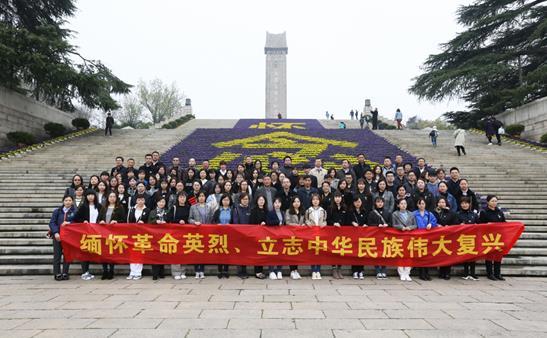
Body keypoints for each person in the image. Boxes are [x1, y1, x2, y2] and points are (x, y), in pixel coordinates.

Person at [73, 189, 104, 281]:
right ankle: (85, 272)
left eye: (92, 195)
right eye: (88, 195)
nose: (90, 197)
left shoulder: (99, 206)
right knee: (85, 252)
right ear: (86, 197)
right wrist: (83, 221)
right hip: (86, 232)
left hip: (98, 232)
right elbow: (76, 218)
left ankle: (105, 271)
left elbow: (102, 217)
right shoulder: (83, 207)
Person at [479, 195, 506, 280]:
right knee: (489, 255)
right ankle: (490, 273)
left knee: (498, 255)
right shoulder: (484, 212)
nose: (494, 203)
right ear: (488, 202)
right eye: (492, 201)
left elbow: (504, 222)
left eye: (495, 201)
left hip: (498, 237)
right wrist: (488, 225)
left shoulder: (500, 212)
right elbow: (480, 224)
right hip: (488, 237)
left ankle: (498, 273)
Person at [98, 192, 125, 280]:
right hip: (103, 232)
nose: (112, 198)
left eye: (114, 196)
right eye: (110, 196)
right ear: (108, 198)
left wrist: (117, 222)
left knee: (111, 251)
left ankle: (111, 270)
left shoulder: (120, 207)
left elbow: (124, 220)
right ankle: (104, 270)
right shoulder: (103, 207)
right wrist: (101, 221)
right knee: (103, 252)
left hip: (114, 232)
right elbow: (99, 218)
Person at [49, 195, 76, 281]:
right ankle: (57, 273)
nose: (68, 202)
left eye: (70, 200)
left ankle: (65, 272)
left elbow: (77, 222)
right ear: (63, 201)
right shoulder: (57, 211)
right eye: (66, 200)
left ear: (72, 202)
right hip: (58, 236)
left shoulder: (75, 211)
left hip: (69, 237)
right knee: (57, 255)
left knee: (67, 255)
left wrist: (69, 223)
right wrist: (56, 232)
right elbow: (52, 223)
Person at [188, 191, 214, 279]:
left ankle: (202, 270)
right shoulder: (193, 207)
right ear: (197, 198)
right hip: (196, 232)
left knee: (203, 252)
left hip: (206, 232)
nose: (202, 197)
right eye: (200, 196)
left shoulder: (209, 207)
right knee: (196, 251)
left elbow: (211, 219)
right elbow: (189, 219)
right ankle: (196, 270)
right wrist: (195, 222)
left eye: (203, 196)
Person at [166, 192, 190, 280]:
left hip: (186, 233)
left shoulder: (188, 208)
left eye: (184, 197)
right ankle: (176, 272)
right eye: (180, 197)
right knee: (176, 252)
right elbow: (169, 218)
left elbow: (190, 219)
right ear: (178, 198)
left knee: (184, 252)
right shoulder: (174, 208)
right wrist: (178, 221)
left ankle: (183, 271)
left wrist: (185, 222)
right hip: (176, 233)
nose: (182, 199)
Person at [433, 197, 459, 280]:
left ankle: (447, 272)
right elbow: (432, 221)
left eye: (443, 202)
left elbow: (456, 223)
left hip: (449, 236)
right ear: (437, 203)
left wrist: (449, 227)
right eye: (440, 202)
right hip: (438, 237)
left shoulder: (451, 213)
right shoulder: (434, 212)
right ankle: (441, 272)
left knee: (448, 254)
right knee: (440, 254)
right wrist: (436, 225)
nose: (441, 204)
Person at [392, 198, 417, 281]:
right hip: (399, 236)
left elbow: (415, 225)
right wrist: (401, 227)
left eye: (405, 203)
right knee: (400, 254)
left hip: (409, 236)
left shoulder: (411, 214)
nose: (403, 205)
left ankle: (407, 272)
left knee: (409, 254)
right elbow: (394, 225)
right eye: (401, 203)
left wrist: (410, 227)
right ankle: (401, 273)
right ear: (398, 205)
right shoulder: (395, 214)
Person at [126, 194, 150, 280]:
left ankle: (138, 272)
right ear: (136, 201)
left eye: (142, 200)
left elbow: (149, 221)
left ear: (144, 201)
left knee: (139, 253)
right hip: (132, 234)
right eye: (139, 200)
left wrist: (143, 223)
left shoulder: (147, 210)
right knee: (132, 253)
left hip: (142, 235)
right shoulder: (131, 209)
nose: (140, 201)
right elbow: (128, 221)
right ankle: (132, 272)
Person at [413, 198, 438, 281]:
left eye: (423, 204)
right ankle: (421, 273)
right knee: (420, 255)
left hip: (427, 237)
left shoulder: (429, 214)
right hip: (417, 237)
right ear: (417, 205)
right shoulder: (414, 214)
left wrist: (431, 224)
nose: (421, 205)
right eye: (420, 204)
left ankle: (427, 273)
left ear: (425, 204)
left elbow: (434, 221)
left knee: (427, 255)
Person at [367, 197, 391, 279]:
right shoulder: (372, 213)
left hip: (385, 236)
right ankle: (377, 270)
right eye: (378, 202)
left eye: (381, 202)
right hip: (375, 236)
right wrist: (377, 226)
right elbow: (369, 224)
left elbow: (391, 223)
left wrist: (387, 225)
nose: (380, 203)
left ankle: (384, 270)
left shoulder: (387, 212)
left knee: (384, 253)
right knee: (376, 253)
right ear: (375, 203)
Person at [305, 193, 327, 279]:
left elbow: (325, 220)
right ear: (311, 201)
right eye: (314, 199)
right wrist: (308, 224)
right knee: (312, 252)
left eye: (317, 200)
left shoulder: (323, 210)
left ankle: (318, 270)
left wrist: (324, 224)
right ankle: (313, 270)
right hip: (311, 233)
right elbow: (306, 219)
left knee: (319, 252)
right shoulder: (308, 210)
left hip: (320, 234)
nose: (315, 201)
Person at [327, 192, 349, 279]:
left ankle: (339, 268)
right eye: (336, 197)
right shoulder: (330, 208)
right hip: (333, 232)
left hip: (342, 233)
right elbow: (328, 220)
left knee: (341, 250)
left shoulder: (345, 207)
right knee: (334, 250)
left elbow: (347, 220)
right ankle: (334, 269)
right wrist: (334, 223)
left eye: (339, 197)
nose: (337, 199)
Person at [457, 197, 479, 281]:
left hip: (473, 238)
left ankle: (473, 273)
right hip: (463, 238)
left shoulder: (474, 214)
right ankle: (466, 273)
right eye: (463, 203)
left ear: (469, 204)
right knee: (465, 255)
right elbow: (455, 225)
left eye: (466, 203)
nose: (464, 205)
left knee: (473, 256)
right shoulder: (458, 214)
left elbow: (479, 224)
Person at [232, 193, 252, 279]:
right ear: (240, 200)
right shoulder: (236, 209)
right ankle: (240, 272)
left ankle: (245, 270)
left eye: (247, 199)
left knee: (246, 253)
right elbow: (235, 222)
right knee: (239, 253)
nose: (245, 200)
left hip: (248, 235)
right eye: (244, 199)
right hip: (239, 234)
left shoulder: (250, 209)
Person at [212, 194, 233, 278]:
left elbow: (235, 221)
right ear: (221, 201)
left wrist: (230, 225)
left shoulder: (232, 210)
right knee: (219, 251)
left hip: (229, 234)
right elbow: (213, 221)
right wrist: (218, 224)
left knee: (227, 252)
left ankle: (226, 270)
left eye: (227, 200)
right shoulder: (218, 211)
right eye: (224, 200)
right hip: (219, 234)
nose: (226, 201)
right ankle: (220, 270)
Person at [148, 196, 168, 280]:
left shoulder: (167, 211)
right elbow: (149, 222)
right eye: (160, 202)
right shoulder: (153, 212)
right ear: (157, 203)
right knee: (155, 254)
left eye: (163, 202)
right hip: (154, 235)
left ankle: (161, 272)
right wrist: (156, 221)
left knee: (162, 254)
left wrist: (166, 222)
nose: (161, 203)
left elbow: (170, 221)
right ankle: (155, 273)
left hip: (164, 235)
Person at [285, 196, 305, 280]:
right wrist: (298, 226)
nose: (296, 203)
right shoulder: (288, 211)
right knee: (292, 252)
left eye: (298, 201)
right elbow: (287, 222)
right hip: (291, 234)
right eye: (295, 201)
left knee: (297, 253)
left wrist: (303, 225)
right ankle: (292, 270)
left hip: (300, 235)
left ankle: (296, 270)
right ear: (292, 203)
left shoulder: (303, 211)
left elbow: (304, 221)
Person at [348, 196, 368, 279]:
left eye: (359, 202)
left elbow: (367, 221)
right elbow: (347, 222)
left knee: (361, 253)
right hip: (353, 235)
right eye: (356, 202)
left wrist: (365, 225)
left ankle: (361, 270)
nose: (357, 203)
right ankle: (355, 271)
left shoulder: (365, 211)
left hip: (363, 235)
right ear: (353, 203)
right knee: (354, 253)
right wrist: (352, 222)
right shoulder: (350, 212)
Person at [266, 198, 285, 279]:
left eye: (279, 202)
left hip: (281, 235)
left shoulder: (282, 212)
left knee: (280, 253)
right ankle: (271, 271)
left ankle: (279, 270)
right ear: (273, 204)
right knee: (272, 253)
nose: (277, 204)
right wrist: (277, 222)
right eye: (276, 202)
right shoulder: (270, 213)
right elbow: (268, 222)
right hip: (272, 235)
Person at [250, 194, 268, 279]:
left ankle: (261, 270)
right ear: (257, 201)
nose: (261, 201)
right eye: (260, 200)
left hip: (265, 236)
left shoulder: (267, 210)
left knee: (262, 253)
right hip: (256, 235)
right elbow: (251, 223)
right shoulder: (253, 210)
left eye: (263, 200)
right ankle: (257, 271)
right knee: (257, 253)